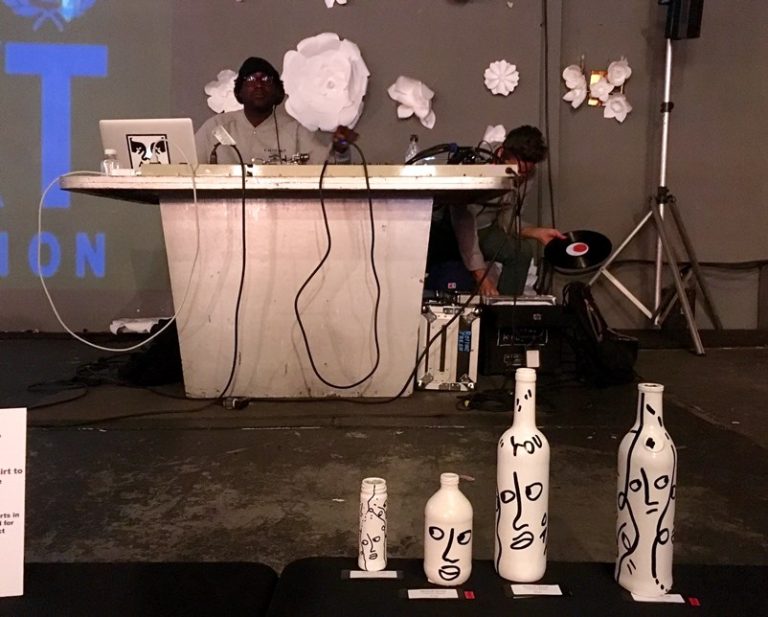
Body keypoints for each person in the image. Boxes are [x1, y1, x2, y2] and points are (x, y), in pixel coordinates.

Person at [449, 125, 565, 297]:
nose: (521, 176)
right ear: (502, 153)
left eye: (526, 173)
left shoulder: (527, 173)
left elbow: (507, 218)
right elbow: (463, 225)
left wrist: (536, 232)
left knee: (521, 251)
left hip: (486, 228)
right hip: (453, 227)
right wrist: (481, 276)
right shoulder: (476, 165)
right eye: (517, 171)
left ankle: (505, 308)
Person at [195, 56, 357, 165]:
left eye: (266, 79)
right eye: (251, 79)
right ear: (239, 91)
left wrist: (341, 148)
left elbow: (328, 170)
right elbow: (186, 167)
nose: (259, 84)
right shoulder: (216, 127)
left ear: (277, 92)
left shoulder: (295, 131)